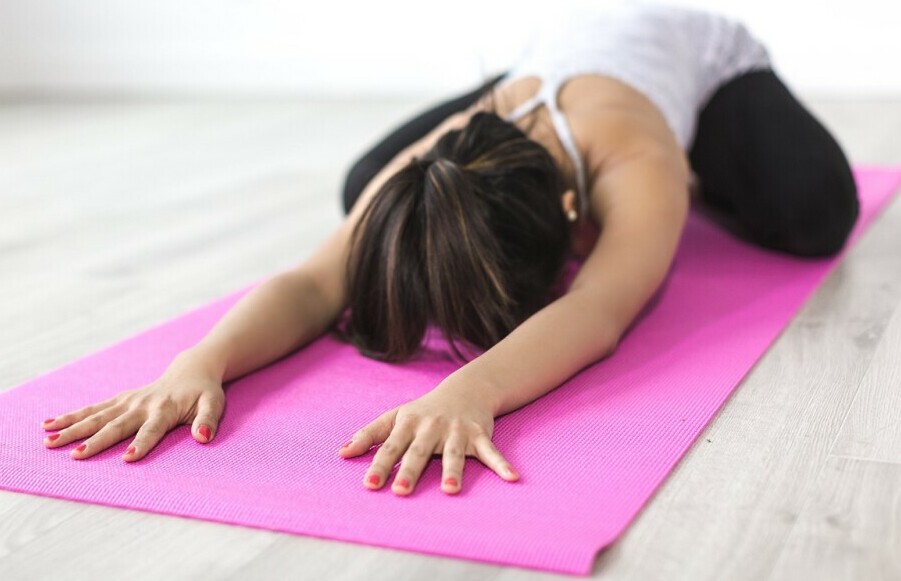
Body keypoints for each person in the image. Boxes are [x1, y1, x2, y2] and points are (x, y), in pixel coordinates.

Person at [40, 2, 859, 496]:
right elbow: (311, 282)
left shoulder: (637, 163)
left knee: (816, 213)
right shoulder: (443, 151)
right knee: (371, 188)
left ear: (578, 220)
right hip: (545, 67)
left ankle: (712, 168)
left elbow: (600, 309)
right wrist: (198, 363)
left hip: (697, 60)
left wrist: (472, 390)